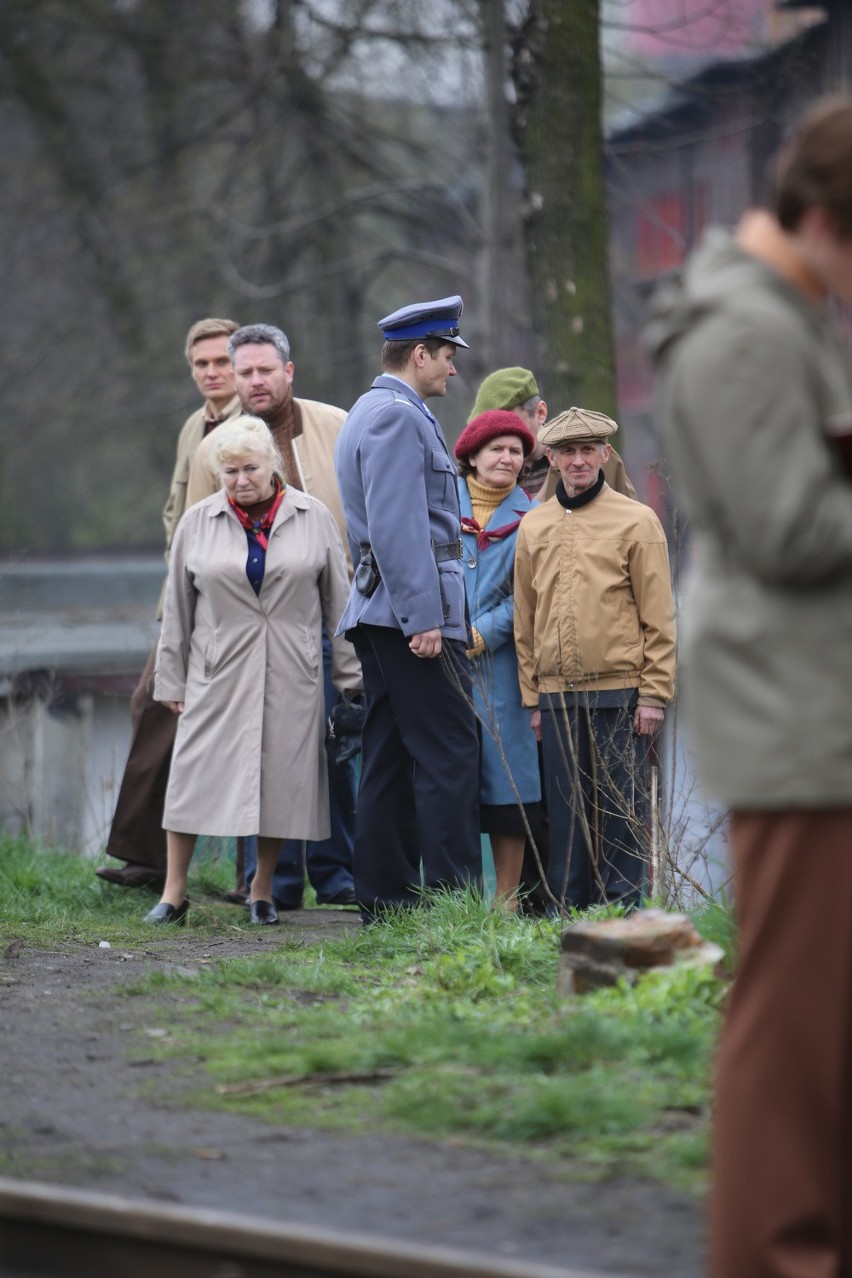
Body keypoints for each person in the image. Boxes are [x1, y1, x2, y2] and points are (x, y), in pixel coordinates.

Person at [647, 96, 852, 1278]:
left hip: (813, 697)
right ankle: (774, 1257)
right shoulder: (744, 331)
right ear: (823, 217)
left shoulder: (785, 312)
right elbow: (784, 527)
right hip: (789, 706)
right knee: (788, 1014)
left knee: (822, 1015)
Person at [146, 415, 361, 926]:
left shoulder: (314, 518)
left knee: (280, 780)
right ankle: (173, 893)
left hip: (293, 669)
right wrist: (170, 678)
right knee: (192, 776)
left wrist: (351, 681)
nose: (241, 480)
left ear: (274, 464)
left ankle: (262, 891)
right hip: (216, 670)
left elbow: (341, 605)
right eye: (230, 471)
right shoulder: (198, 522)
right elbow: (178, 606)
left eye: (250, 468)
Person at [187, 323, 358, 909]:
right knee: (255, 753)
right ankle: (271, 885)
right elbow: (191, 536)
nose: (255, 381)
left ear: (290, 371)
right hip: (243, 622)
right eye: (245, 372)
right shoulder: (218, 441)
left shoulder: (335, 425)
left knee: (331, 746)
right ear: (233, 378)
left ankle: (339, 875)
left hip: (323, 613)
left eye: (266, 370)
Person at [334, 295, 482, 917]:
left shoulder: (376, 409)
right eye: (447, 356)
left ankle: (386, 900)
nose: (453, 369)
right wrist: (422, 618)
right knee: (451, 749)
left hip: (384, 611)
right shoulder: (397, 417)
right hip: (409, 615)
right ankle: (453, 903)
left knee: (391, 756)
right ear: (420, 355)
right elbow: (397, 528)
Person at [96, 317, 240, 892]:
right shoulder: (192, 426)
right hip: (180, 598)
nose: (211, 373)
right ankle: (148, 858)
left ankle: (246, 874)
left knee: (221, 724)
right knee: (152, 704)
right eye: (201, 364)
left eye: (221, 362)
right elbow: (173, 513)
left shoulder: (247, 427)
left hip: (230, 599)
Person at [513, 407, 675, 914]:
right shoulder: (534, 526)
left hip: (620, 690)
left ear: (605, 454)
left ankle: (623, 911)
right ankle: (567, 913)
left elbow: (660, 617)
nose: (578, 461)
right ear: (553, 459)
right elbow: (525, 619)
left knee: (620, 811)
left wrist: (653, 694)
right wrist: (532, 696)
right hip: (557, 694)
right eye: (568, 452)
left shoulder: (636, 519)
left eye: (588, 450)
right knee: (566, 812)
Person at [454, 410, 541, 909]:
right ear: (472, 457)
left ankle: (506, 898)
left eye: (515, 450)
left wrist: (483, 633)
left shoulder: (532, 519)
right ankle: (456, 896)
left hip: (503, 669)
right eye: (497, 450)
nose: (507, 458)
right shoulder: (440, 506)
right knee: (452, 783)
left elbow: (529, 596)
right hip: (441, 663)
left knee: (509, 785)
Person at [467, 366, 636, 501]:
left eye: (511, 423)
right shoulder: (480, 471)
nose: (502, 434)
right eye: (490, 430)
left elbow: (631, 523)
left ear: (540, 413)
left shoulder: (592, 458)